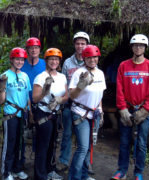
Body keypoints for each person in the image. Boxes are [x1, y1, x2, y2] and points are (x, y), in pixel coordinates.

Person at [111, 34, 149, 180]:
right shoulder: (123, 66)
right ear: (131, 47)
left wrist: (145, 110)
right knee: (124, 141)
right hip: (127, 109)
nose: (138, 48)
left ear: (145, 48)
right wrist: (122, 108)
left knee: (141, 144)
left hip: (143, 110)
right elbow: (119, 89)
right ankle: (122, 171)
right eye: (136, 45)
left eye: (141, 45)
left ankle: (138, 172)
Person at [68, 45, 106, 180]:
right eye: (89, 57)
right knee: (83, 147)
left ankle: (84, 175)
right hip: (80, 112)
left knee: (89, 146)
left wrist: (100, 111)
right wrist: (81, 85)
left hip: (94, 113)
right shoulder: (79, 73)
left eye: (94, 57)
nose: (92, 60)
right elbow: (71, 95)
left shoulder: (100, 73)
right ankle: (74, 177)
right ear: (84, 58)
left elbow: (99, 94)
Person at [32, 48, 68, 180]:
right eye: (51, 59)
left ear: (59, 62)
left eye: (56, 59)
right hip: (43, 113)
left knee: (53, 144)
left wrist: (59, 100)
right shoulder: (40, 77)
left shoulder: (62, 77)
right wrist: (44, 92)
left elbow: (66, 96)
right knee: (43, 146)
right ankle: (40, 175)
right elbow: (35, 98)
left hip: (56, 113)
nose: (54, 62)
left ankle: (50, 170)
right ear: (46, 60)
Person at [58, 31, 90, 172]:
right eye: (78, 43)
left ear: (87, 45)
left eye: (83, 43)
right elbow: (63, 82)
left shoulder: (90, 61)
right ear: (74, 45)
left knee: (84, 137)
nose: (80, 46)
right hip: (69, 103)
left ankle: (85, 164)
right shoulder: (67, 62)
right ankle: (64, 161)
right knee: (67, 134)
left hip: (85, 105)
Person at [0, 47, 31, 180]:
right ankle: (6, 172)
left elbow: (27, 96)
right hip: (10, 114)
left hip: (23, 114)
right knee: (9, 143)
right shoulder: (5, 76)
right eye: (17, 59)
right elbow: (1, 101)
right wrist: (1, 89)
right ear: (12, 60)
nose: (20, 62)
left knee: (21, 143)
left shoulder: (25, 76)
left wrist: (30, 112)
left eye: (22, 60)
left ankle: (17, 169)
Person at [20, 37, 46, 165]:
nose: (34, 50)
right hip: (23, 103)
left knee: (40, 133)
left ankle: (38, 161)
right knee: (22, 134)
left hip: (41, 103)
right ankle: (20, 161)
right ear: (27, 50)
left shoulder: (44, 64)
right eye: (31, 48)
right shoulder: (21, 63)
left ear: (39, 50)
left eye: (36, 48)